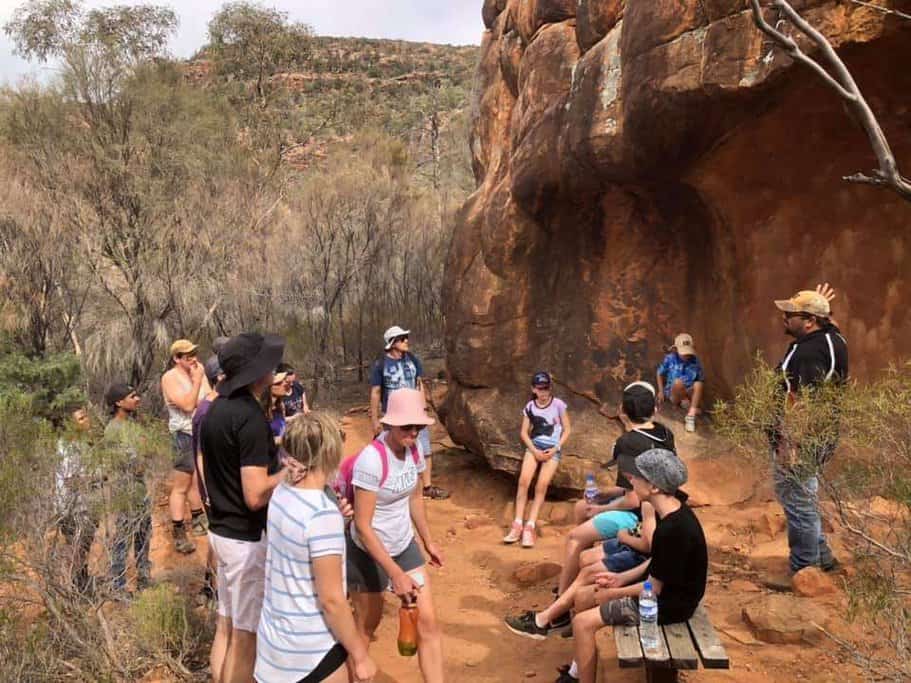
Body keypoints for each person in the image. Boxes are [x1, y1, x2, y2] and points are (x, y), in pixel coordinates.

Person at [519, 450, 706, 683]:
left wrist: (613, 593)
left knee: (582, 622)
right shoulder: (672, 513)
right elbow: (655, 562)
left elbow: (654, 589)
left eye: (638, 477)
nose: (631, 480)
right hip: (666, 594)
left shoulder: (672, 529)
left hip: (668, 606)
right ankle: (576, 672)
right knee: (585, 596)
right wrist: (621, 578)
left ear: (655, 487)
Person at [255, 413, 377, 683]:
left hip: (274, 648)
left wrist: (338, 522)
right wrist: (360, 655)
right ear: (330, 452)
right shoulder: (322, 515)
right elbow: (332, 600)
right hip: (311, 652)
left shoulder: (281, 492)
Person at [200, 333, 289, 683]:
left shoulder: (215, 409)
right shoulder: (250, 416)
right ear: (256, 373)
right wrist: (290, 472)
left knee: (226, 627)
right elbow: (255, 494)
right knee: (246, 638)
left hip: (221, 532)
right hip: (245, 541)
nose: (274, 370)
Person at [348, 388, 446, 683]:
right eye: (407, 426)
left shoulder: (413, 449)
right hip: (368, 552)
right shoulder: (372, 460)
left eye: (418, 426)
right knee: (366, 627)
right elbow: (363, 526)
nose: (413, 432)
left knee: (427, 623)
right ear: (389, 424)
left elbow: (415, 496)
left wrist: (427, 541)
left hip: (403, 545)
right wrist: (394, 573)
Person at [557, 382, 674, 597]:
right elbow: (639, 485)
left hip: (641, 514)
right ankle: (575, 579)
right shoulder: (664, 434)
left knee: (575, 536)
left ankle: (563, 600)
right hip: (662, 506)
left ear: (622, 411)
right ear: (655, 409)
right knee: (583, 507)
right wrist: (605, 494)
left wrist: (600, 510)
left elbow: (632, 500)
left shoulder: (628, 443)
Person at [771, 287, 848, 574]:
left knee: (797, 500)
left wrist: (788, 442)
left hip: (801, 440)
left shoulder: (808, 353)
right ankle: (821, 557)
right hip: (821, 436)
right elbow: (830, 323)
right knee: (805, 496)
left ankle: (805, 569)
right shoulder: (833, 338)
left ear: (809, 321)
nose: (783, 317)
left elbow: (802, 401)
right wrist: (820, 303)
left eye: (790, 314)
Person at [370, 325, 449, 500]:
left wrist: (423, 409)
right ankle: (397, 487)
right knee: (393, 451)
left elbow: (419, 383)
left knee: (425, 449)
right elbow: (376, 392)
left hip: (415, 413)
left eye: (406, 337)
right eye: (402, 338)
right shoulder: (380, 365)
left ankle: (426, 487)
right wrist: (375, 420)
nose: (406, 341)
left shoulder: (412, 359)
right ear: (392, 343)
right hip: (393, 416)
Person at [503, 371, 572, 548]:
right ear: (533, 389)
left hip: (552, 449)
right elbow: (523, 432)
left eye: (546, 388)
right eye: (540, 389)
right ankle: (517, 523)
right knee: (524, 482)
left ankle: (530, 526)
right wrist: (534, 450)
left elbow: (567, 429)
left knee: (541, 485)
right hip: (534, 447)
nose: (543, 392)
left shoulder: (558, 404)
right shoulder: (530, 407)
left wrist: (555, 448)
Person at [161, 338, 210, 554]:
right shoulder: (170, 378)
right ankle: (178, 531)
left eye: (194, 354)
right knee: (181, 484)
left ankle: (199, 518)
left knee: (195, 480)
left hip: (200, 431)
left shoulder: (198, 371)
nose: (193, 359)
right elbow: (189, 404)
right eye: (188, 356)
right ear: (176, 358)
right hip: (183, 434)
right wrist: (197, 381)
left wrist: (199, 382)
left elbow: (208, 399)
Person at [104, 383, 152, 594]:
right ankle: (118, 586)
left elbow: (146, 455)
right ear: (118, 402)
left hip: (141, 491)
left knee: (143, 536)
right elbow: (135, 464)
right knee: (123, 541)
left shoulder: (134, 425)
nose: (137, 399)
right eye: (132, 396)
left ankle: (143, 578)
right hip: (125, 493)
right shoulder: (113, 430)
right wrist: (142, 451)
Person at [54, 407, 100, 594]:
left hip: (84, 506)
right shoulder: (68, 447)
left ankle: (82, 585)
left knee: (82, 548)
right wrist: (98, 478)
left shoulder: (83, 444)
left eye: (86, 416)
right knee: (77, 549)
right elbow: (71, 480)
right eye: (81, 418)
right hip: (73, 509)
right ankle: (76, 590)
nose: (87, 420)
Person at [656, 333, 705, 425]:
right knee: (678, 382)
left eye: (688, 352)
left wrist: (694, 393)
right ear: (675, 349)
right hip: (674, 392)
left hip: (689, 392)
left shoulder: (695, 360)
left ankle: (691, 413)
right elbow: (659, 373)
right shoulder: (670, 358)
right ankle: (685, 403)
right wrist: (661, 391)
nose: (686, 355)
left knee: (699, 384)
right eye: (683, 352)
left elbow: (700, 379)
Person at [263, 370, 288, 443]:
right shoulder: (260, 411)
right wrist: (283, 439)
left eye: (284, 381)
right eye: (278, 383)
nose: (285, 384)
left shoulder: (280, 406)